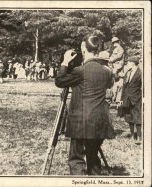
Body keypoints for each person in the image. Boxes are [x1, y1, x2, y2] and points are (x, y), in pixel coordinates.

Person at [55, 34, 114, 175]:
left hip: (81, 122)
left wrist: (64, 62)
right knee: (93, 158)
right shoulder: (106, 71)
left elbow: (60, 81)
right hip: (100, 121)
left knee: (77, 159)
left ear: (83, 48)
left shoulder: (81, 71)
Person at [120, 56, 142, 144]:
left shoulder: (140, 73)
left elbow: (143, 86)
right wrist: (122, 99)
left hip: (137, 98)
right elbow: (124, 87)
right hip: (127, 98)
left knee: (137, 116)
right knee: (129, 116)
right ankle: (132, 135)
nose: (127, 64)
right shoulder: (128, 73)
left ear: (133, 63)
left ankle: (139, 137)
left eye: (128, 62)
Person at [109, 37, 125, 104]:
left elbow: (119, 56)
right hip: (114, 68)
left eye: (115, 42)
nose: (114, 44)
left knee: (119, 86)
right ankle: (113, 100)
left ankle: (117, 101)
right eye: (113, 42)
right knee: (114, 86)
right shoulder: (115, 49)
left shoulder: (120, 49)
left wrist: (112, 60)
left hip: (119, 68)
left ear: (118, 42)